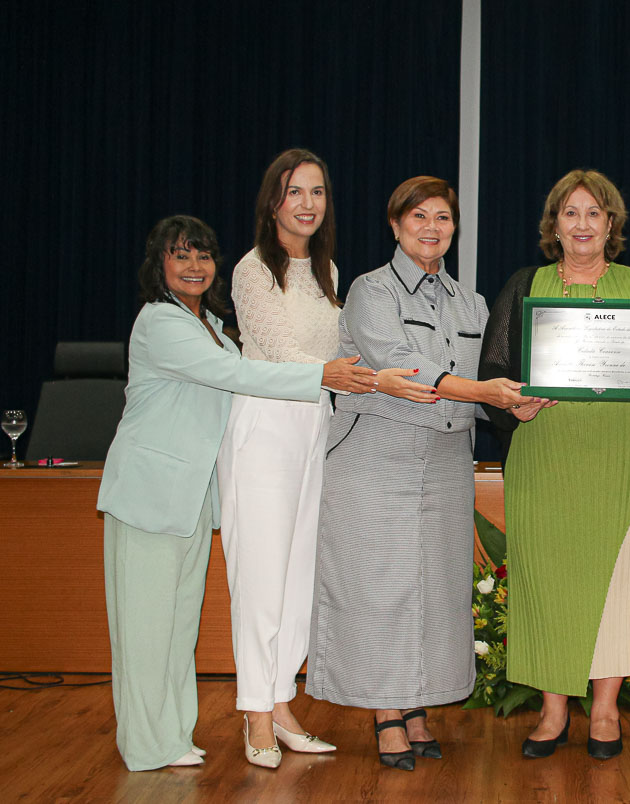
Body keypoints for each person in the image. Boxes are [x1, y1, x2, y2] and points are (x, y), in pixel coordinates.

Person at [98, 215, 379, 771]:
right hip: (150, 493)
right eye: (181, 256)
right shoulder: (161, 322)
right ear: (159, 265)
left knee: (178, 624)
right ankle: (146, 743)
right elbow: (241, 375)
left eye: (203, 256)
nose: (195, 266)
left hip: (190, 494)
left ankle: (172, 736)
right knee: (145, 627)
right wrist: (322, 375)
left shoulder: (212, 326)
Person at [306, 177, 532, 771]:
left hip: (445, 462)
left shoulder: (471, 303)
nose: (432, 228)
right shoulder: (368, 291)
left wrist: (518, 399)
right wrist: (486, 390)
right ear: (395, 225)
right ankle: (386, 712)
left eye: (443, 219)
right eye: (419, 218)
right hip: (375, 457)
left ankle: (418, 707)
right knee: (380, 588)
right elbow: (406, 369)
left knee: (436, 590)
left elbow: (488, 385)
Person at [478, 169, 630, 760]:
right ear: (554, 225)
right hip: (546, 454)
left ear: (611, 224)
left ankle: (604, 711)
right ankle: (552, 713)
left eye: (593, 213)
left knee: (624, 582)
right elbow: (492, 370)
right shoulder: (526, 285)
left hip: (625, 456)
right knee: (549, 584)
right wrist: (511, 406)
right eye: (570, 213)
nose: (582, 224)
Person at [215, 149, 349, 766]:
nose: (307, 204)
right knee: (261, 581)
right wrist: (345, 375)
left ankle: (281, 702)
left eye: (317, 192)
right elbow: (272, 351)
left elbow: (334, 352)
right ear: (273, 201)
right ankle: (254, 715)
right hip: (264, 430)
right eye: (295, 192)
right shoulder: (251, 270)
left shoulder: (328, 272)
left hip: (312, 428)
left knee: (298, 579)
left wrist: (350, 374)